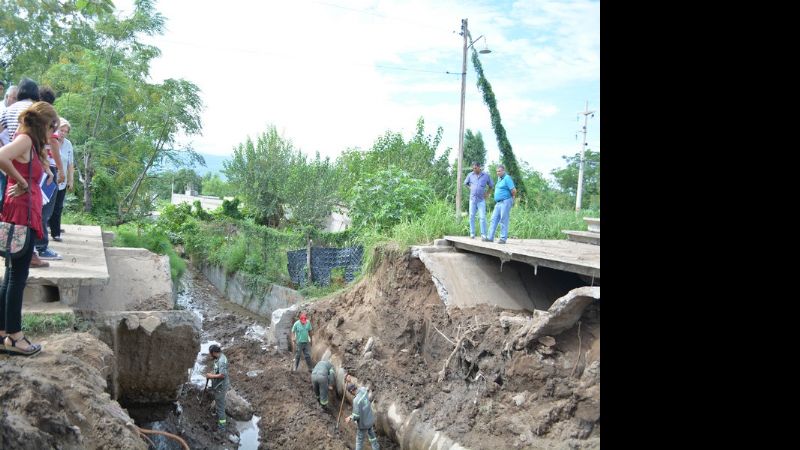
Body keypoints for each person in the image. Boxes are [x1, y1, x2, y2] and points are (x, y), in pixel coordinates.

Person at [0, 101, 59, 356]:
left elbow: (27, 163)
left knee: (11, 274)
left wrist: (43, 167)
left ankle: (3, 332)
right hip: (21, 212)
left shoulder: (32, 144)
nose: (52, 134)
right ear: (43, 124)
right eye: (51, 128)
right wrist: (23, 181)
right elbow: (2, 156)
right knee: (17, 276)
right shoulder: (24, 139)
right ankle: (15, 335)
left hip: (24, 210)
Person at [32, 87, 64, 261]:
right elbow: (53, 143)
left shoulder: (31, 115)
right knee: (46, 207)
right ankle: (41, 246)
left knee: (37, 205)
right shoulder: (48, 117)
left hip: (34, 164)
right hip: (48, 166)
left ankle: (33, 246)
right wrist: (60, 168)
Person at [48, 117, 74, 242]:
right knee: (47, 206)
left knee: (58, 207)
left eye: (65, 131)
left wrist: (71, 180)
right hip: (50, 177)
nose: (62, 133)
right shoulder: (51, 141)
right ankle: (43, 230)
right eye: (61, 130)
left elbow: (70, 164)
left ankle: (56, 233)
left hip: (62, 180)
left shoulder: (68, 144)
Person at [484, 164, 517, 244]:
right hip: (498, 203)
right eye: (497, 171)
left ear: (503, 171)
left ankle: (503, 238)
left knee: (503, 219)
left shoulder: (507, 178)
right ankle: (490, 237)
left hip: (505, 201)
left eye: (499, 171)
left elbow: (513, 190)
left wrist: (512, 199)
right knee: (493, 219)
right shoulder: (499, 179)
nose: (497, 173)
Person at [464, 161, 494, 240]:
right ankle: (472, 233)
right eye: (473, 168)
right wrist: (470, 188)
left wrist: (487, 194)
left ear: (479, 167)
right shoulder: (470, 175)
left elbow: (491, 185)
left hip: (481, 200)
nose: (474, 169)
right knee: (471, 216)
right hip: (472, 199)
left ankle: (483, 235)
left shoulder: (486, 175)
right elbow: (465, 183)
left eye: (475, 168)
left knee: (482, 217)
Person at [345, 383, 380, 450]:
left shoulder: (356, 401)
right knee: (372, 436)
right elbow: (364, 388)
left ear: (352, 391)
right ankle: (376, 448)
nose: (350, 393)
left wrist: (350, 417)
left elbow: (357, 416)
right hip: (370, 419)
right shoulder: (363, 390)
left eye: (350, 392)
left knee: (359, 440)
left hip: (363, 424)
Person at [205, 344, 230, 431]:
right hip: (219, 386)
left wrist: (211, 376)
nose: (210, 355)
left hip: (221, 387)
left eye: (211, 353)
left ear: (215, 352)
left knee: (220, 407)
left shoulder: (221, 361)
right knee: (219, 403)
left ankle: (222, 427)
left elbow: (222, 375)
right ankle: (218, 415)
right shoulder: (219, 358)